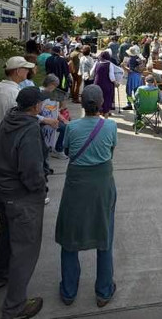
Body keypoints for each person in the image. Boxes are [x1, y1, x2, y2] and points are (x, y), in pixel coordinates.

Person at [55, 85, 118, 308]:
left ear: (81, 102)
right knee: (104, 234)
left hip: (76, 185)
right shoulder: (110, 126)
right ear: (101, 103)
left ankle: (69, 291)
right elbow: (109, 152)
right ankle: (103, 290)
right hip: (102, 183)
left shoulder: (71, 127)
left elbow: (67, 152)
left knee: (70, 237)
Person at [0, 86, 50, 318]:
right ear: (35, 106)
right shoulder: (29, 130)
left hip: (2, 190)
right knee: (25, 249)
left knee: (6, 235)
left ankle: (1, 275)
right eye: (40, 103)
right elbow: (31, 170)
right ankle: (14, 307)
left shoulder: (8, 121)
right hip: (22, 196)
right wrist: (39, 187)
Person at [0, 57, 36, 130]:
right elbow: (21, 122)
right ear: (18, 71)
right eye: (26, 69)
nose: (28, 71)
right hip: (10, 139)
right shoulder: (18, 94)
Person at [40, 75, 67, 160]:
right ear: (51, 84)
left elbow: (55, 109)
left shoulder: (52, 94)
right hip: (43, 121)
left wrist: (61, 117)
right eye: (55, 85)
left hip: (53, 120)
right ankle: (50, 151)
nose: (55, 88)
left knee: (64, 127)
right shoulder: (40, 92)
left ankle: (57, 149)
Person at [91, 51, 116, 117]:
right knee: (106, 101)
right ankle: (105, 119)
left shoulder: (96, 63)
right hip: (107, 85)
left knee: (97, 101)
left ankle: (97, 118)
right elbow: (112, 77)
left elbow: (91, 73)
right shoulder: (109, 64)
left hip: (97, 84)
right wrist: (115, 82)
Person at [123, 45, 144, 110]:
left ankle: (130, 104)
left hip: (132, 76)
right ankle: (136, 104)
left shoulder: (131, 59)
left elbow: (130, 70)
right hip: (138, 76)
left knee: (128, 91)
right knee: (136, 91)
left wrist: (123, 66)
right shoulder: (139, 58)